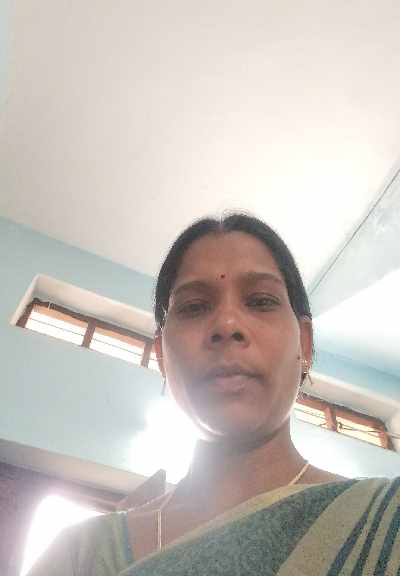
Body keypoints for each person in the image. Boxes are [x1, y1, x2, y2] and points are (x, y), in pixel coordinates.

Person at [28, 213, 400, 575]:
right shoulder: (79, 557)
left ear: (304, 342)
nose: (226, 324)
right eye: (194, 307)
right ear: (161, 355)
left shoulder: (385, 521)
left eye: (260, 301)